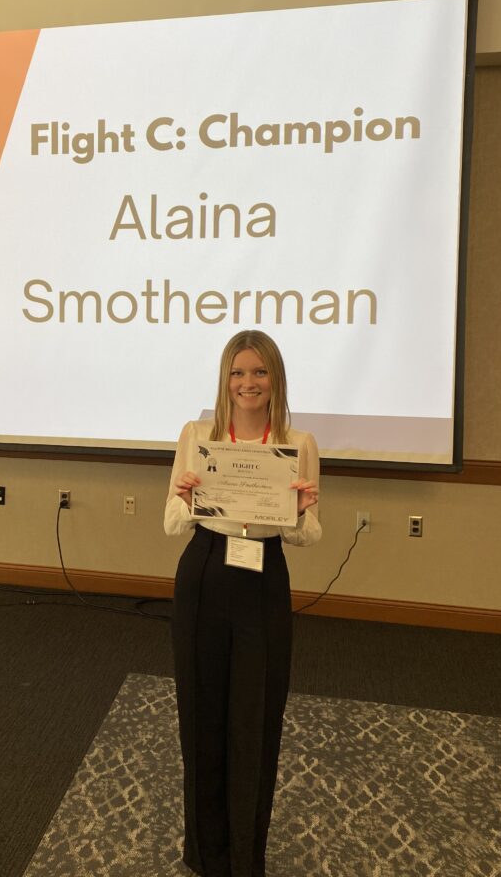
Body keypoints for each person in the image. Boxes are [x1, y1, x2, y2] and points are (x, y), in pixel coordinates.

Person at [164, 329, 322, 877]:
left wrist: (301, 511)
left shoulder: (297, 443)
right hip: (205, 573)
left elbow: (307, 536)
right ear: (224, 380)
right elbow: (171, 523)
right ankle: (206, 855)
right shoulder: (198, 435)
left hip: (263, 580)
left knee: (255, 720)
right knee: (202, 717)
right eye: (238, 372)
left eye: (259, 372)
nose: (248, 383)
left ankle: (244, 858)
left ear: (275, 379)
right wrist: (187, 499)